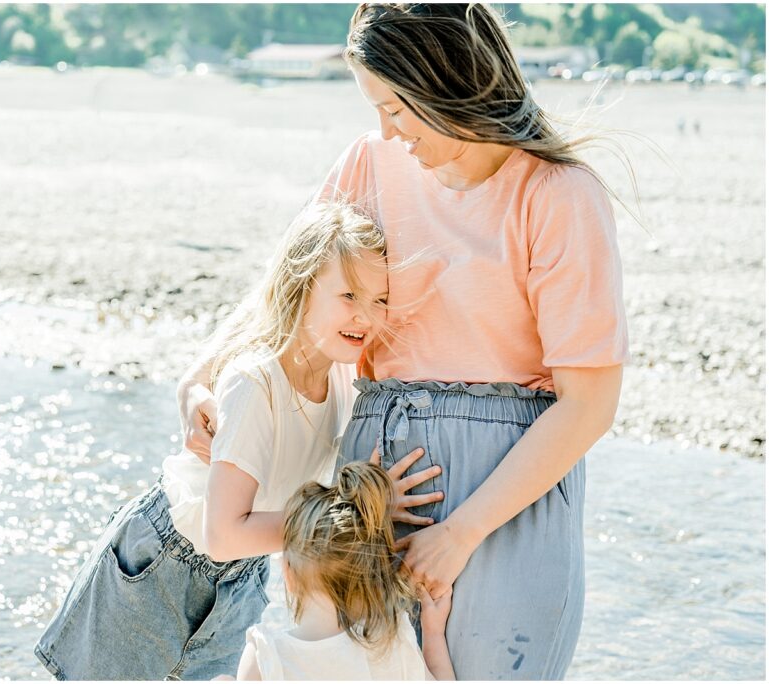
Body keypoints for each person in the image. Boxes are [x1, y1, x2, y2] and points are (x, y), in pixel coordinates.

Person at [179, 4, 628, 679]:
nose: (387, 131)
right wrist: (200, 380)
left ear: (444, 80)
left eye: (395, 107)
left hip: (508, 492)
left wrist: (462, 531)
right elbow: (293, 289)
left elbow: (588, 403)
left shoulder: (559, 195)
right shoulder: (371, 160)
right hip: (373, 484)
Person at [34, 202, 440, 680]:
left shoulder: (346, 380)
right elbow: (223, 534)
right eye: (349, 294)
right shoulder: (255, 383)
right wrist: (358, 506)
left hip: (243, 574)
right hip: (161, 564)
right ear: (302, 287)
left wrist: (365, 507)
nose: (366, 316)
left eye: (379, 299)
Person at [228, 460, 456, 681]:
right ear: (372, 574)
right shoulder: (394, 645)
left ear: (288, 574)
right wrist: (433, 634)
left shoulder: (266, 657)